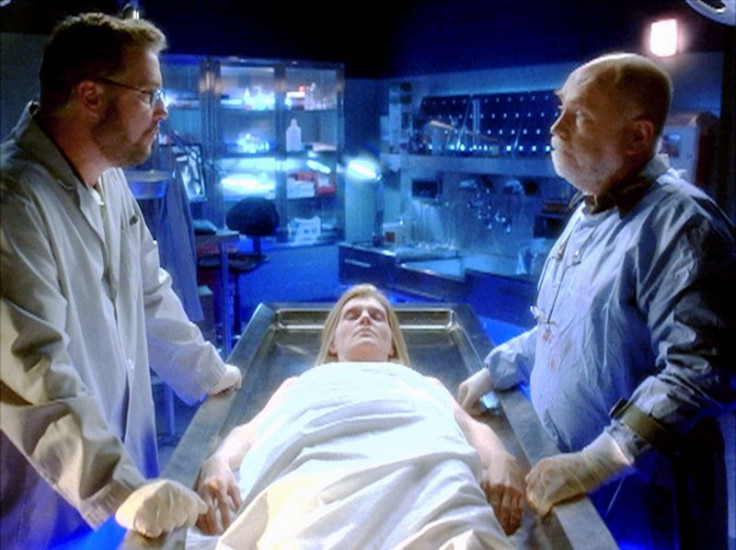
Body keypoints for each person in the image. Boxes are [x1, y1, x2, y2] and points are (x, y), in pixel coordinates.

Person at [458, 52, 735, 549]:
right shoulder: (590, 210)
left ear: (637, 137)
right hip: (580, 493)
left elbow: (699, 373)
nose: (556, 128)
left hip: (644, 499)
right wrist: (497, 368)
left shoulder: (683, 226)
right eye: (560, 109)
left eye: (580, 116)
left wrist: (599, 461)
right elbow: (569, 329)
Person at [0, 12, 242, 548]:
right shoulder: (13, 203)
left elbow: (149, 293)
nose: (162, 111)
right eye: (148, 94)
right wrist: (122, 489)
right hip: (46, 512)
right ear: (91, 96)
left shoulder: (108, 181)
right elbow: (34, 373)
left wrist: (210, 376)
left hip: (121, 491)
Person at [192, 284, 525, 548]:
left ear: (392, 345)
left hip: (429, 479)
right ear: (333, 344)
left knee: (460, 524)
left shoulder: (423, 383)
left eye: (377, 316)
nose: (365, 319)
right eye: (352, 315)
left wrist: (501, 458)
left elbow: (472, 429)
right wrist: (219, 461)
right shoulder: (302, 383)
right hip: (314, 481)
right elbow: (250, 433)